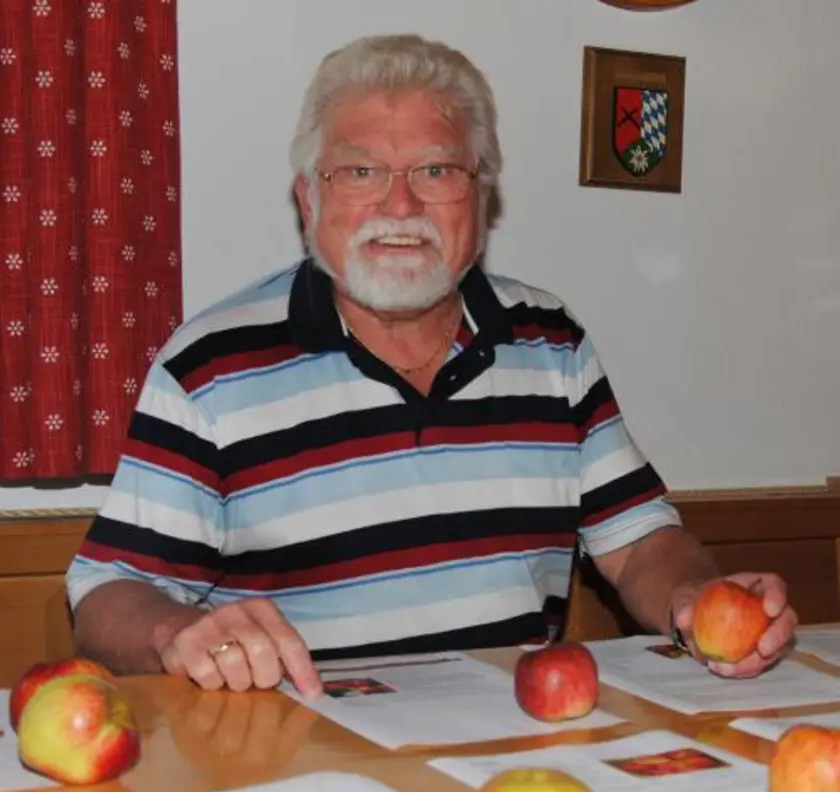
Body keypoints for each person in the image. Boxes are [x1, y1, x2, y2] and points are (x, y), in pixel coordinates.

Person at [64, 34, 797, 696]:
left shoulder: (552, 342)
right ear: (308, 198)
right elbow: (108, 593)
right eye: (360, 170)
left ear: (481, 199)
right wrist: (172, 633)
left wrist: (692, 597)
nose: (401, 203)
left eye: (437, 169)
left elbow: (638, 546)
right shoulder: (211, 366)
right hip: (292, 753)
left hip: (516, 739)